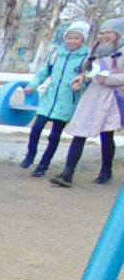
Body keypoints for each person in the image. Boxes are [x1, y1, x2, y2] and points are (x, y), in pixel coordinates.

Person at [51, 17, 123, 187]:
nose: (103, 36)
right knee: (80, 131)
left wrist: (109, 78)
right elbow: (90, 71)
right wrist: (81, 78)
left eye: (108, 32)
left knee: (107, 135)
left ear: (118, 34)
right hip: (92, 96)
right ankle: (67, 173)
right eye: (101, 32)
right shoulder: (96, 50)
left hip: (110, 98)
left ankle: (106, 170)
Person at [20, 21, 91, 177]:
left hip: (67, 101)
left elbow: (89, 78)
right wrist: (33, 85)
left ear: (83, 40)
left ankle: (44, 164)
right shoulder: (55, 54)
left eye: (76, 38)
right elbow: (43, 73)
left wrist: (81, 83)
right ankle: (30, 155)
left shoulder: (87, 57)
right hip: (49, 99)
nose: (72, 41)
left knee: (54, 135)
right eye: (69, 38)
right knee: (36, 128)